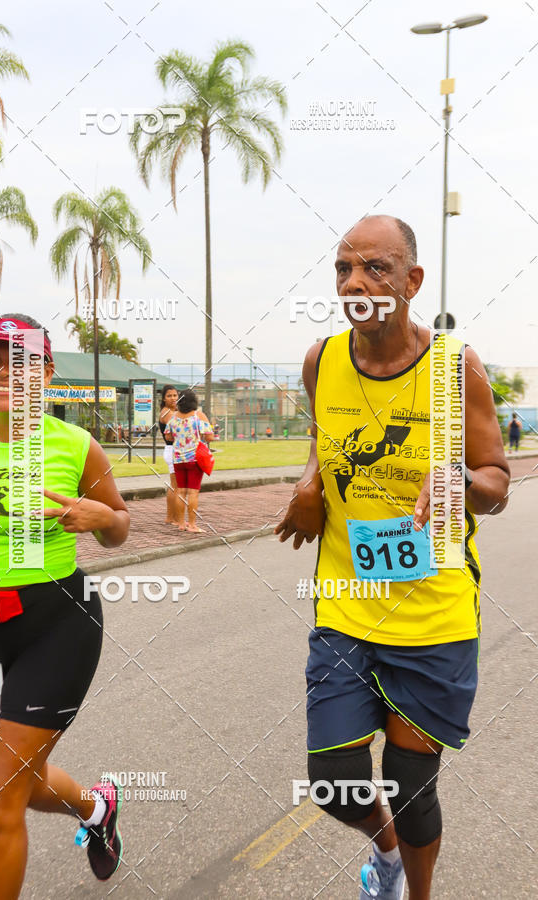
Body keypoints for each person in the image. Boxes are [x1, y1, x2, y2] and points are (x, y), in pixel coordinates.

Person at [275, 215, 510, 900]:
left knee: (411, 788)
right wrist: (311, 483)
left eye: (375, 268)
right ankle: (386, 855)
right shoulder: (322, 360)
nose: (355, 283)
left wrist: (459, 481)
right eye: (344, 269)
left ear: (412, 281)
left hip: (434, 613)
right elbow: (323, 436)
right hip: (347, 604)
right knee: (333, 781)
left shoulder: (454, 367)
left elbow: (496, 480)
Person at [0, 314, 131, 899]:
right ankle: (97, 808)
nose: (4, 372)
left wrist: (102, 517)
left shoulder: (76, 445)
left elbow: (119, 527)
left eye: (21, 361)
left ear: (45, 373)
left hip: (58, 624)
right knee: (18, 783)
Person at [164, 389, 213, 533]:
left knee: (180, 491)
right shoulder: (199, 416)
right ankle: (192, 525)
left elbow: (168, 436)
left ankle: (181, 523)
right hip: (194, 459)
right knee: (193, 493)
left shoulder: (174, 417)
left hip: (178, 459)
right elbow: (209, 437)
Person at [159, 384, 182, 525]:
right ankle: (174, 518)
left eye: (175, 395)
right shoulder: (167, 413)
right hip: (173, 450)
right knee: (176, 486)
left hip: (174, 450)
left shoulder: (173, 411)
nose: (173, 398)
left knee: (175, 485)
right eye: (169, 396)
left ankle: (171, 517)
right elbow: (177, 429)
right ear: (163, 398)